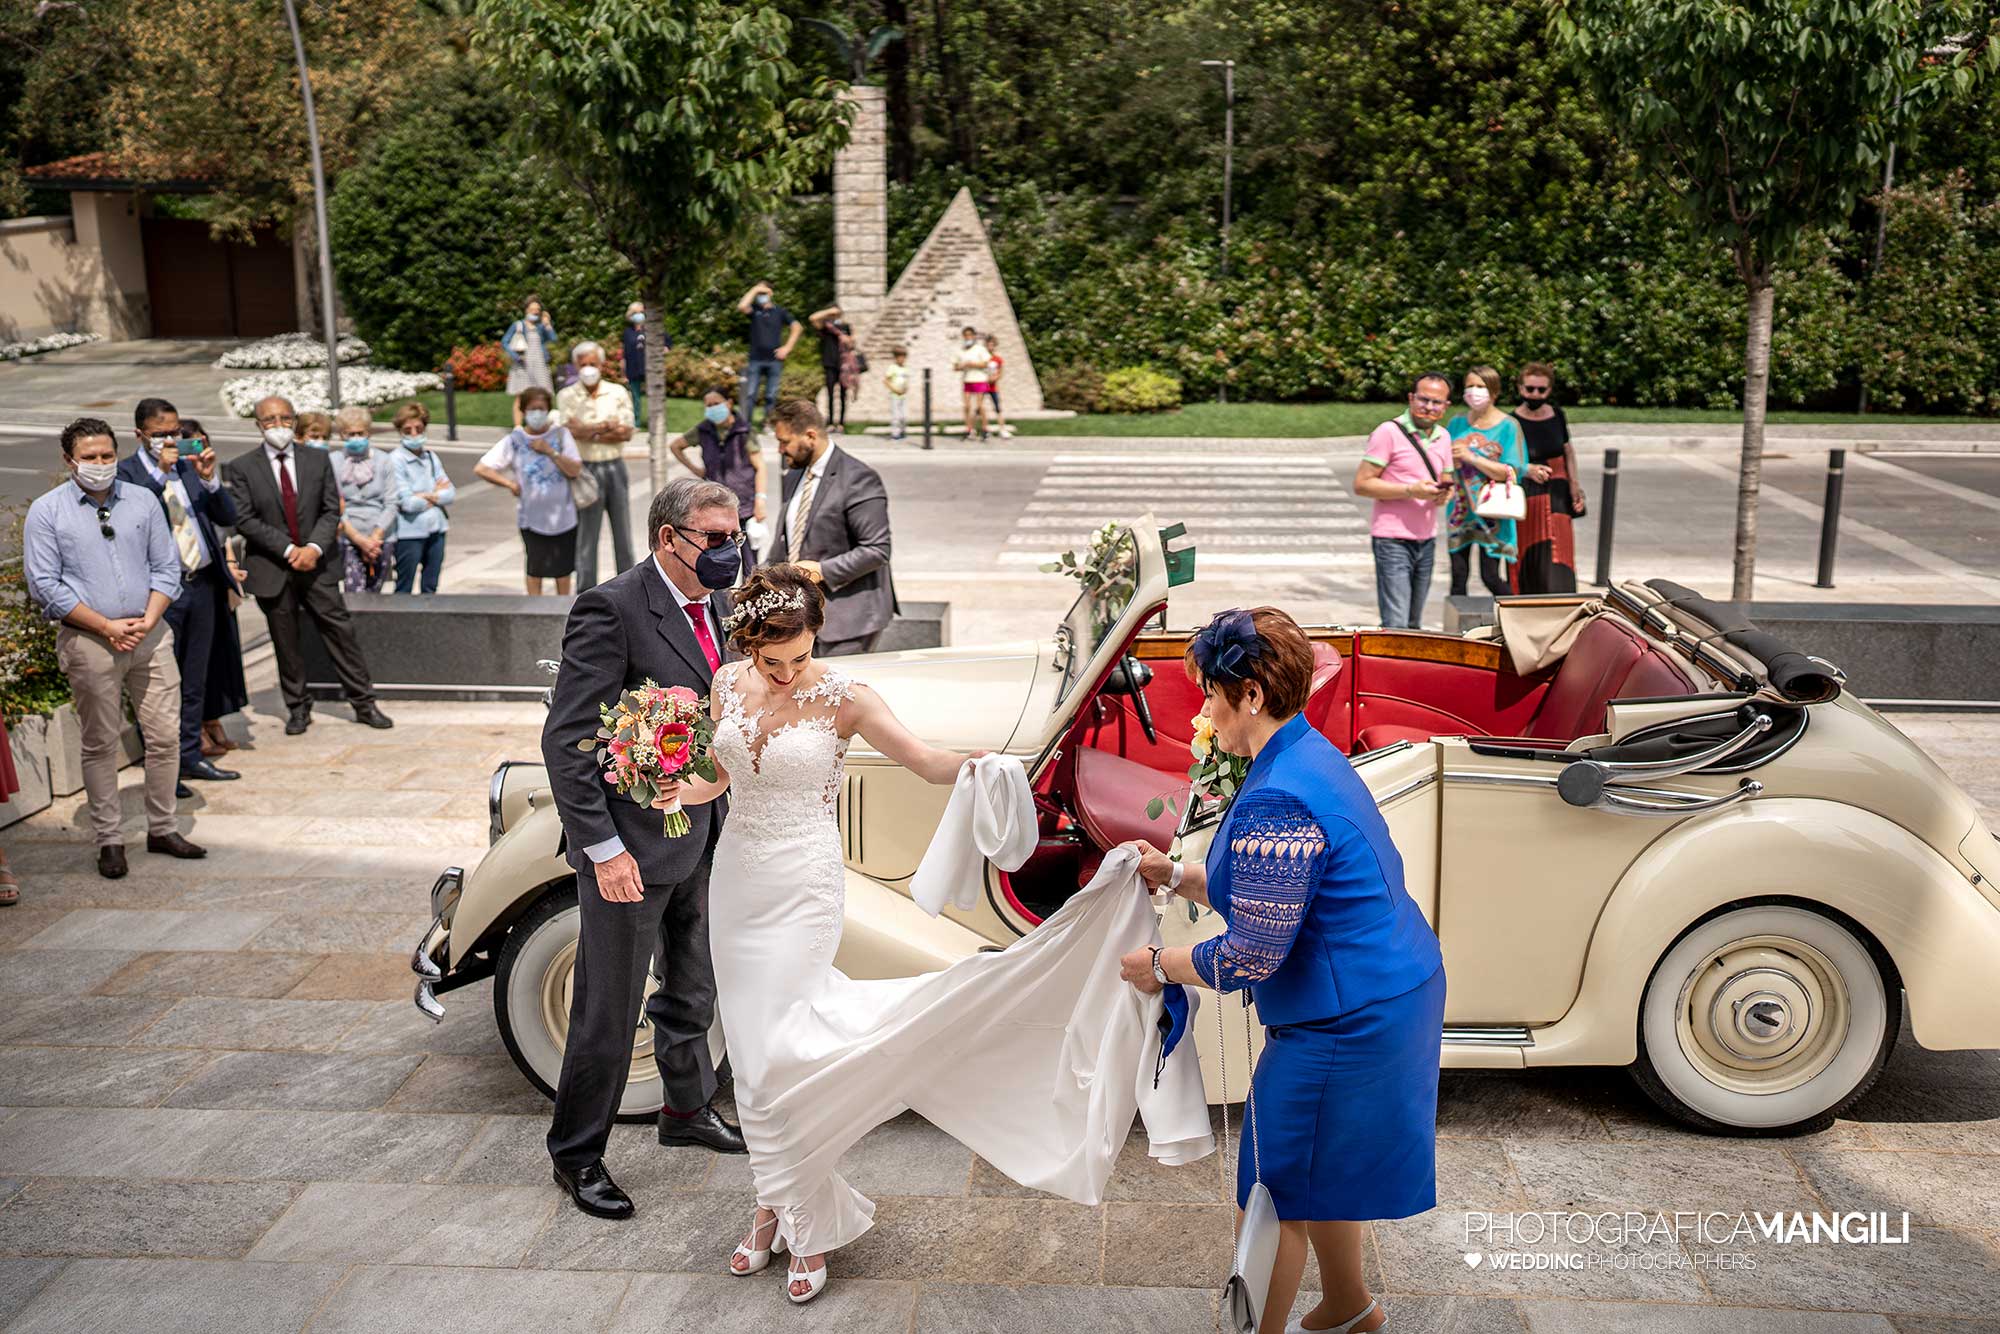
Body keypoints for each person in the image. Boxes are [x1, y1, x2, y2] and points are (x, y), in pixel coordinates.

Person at [660, 565, 1212, 1305]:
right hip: (737, 885)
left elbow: (923, 762)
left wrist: (988, 769)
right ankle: (776, 1202)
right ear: (747, 647)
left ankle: (800, 1220)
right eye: (773, 661)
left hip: (802, 890)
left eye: (801, 657)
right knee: (754, 1056)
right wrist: (679, 786)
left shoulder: (847, 698)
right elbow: (723, 777)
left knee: (786, 1050)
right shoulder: (727, 685)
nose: (788, 673)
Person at [1121, 608, 1446, 1334]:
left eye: (1211, 694)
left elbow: (1252, 953)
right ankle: (1350, 1307)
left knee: (1274, 1184)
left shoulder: (1277, 792)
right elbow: (1271, 890)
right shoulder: (1303, 752)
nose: (1206, 710)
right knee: (1322, 1167)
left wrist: (1161, 966)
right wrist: (1176, 874)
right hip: (1383, 990)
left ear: (1252, 695)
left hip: (1347, 1018)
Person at [540, 477, 752, 1225]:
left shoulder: (717, 603)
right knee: (609, 1007)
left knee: (692, 987)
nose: (730, 549)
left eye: (736, 534)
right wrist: (603, 850)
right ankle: (576, 1154)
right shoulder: (612, 608)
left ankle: (686, 1109)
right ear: (670, 538)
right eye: (716, 538)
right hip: (629, 846)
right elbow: (568, 741)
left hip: (704, 830)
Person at [24, 418, 207, 878]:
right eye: (89, 457)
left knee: (164, 737)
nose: (100, 464)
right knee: (99, 742)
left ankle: (163, 827)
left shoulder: (142, 499)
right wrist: (106, 626)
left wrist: (149, 619)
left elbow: (166, 566)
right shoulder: (47, 512)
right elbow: (44, 584)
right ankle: (109, 838)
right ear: (69, 460)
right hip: (90, 641)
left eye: (107, 455)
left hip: (150, 634)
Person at [223, 395, 394, 736]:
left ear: (294, 419)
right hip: (274, 566)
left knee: (340, 633)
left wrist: (313, 548)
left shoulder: (317, 460)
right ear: (258, 425)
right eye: (270, 420)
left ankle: (364, 703)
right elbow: (245, 518)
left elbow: (331, 509)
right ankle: (298, 707)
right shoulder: (243, 467)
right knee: (286, 640)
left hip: (318, 565)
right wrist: (289, 550)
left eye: (285, 418)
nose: (278, 426)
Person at [117, 398, 241, 788]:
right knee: (158, 685)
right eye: (161, 434)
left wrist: (209, 479)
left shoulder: (188, 468)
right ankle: (163, 767)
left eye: (175, 432)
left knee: (194, 678)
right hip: (159, 594)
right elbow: (128, 519)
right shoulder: (127, 473)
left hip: (200, 583)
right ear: (140, 434)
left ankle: (189, 756)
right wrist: (161, 473)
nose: (170, 440)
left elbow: (228, 516)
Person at [764, 398, 895, 656]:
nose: (780, 450)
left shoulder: (858, 478)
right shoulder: (794, 473)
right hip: (801, 618)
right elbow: (788, 540)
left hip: (848, 621)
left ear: (810, 436)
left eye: (785, 441)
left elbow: (877, 550)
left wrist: (821, 570)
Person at [1354, 374, 1454, 629]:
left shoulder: (1443, 436)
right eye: (1423, 399)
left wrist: (1444, 493)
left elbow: (1446, 480)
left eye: (1436, 402)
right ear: (1411, 398)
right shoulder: (1388, 432)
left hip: (1427, 539)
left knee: (1413, 624)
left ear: (1446, 406)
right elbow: (1362, 484)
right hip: (1392, 540)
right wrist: (1410, 490)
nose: (1429, 407)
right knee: (1396, 623)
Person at [179, 419, 247, 759]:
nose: (195, 452)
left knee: (219, 656)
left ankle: (213, 718)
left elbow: (226, 520)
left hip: (214, 576)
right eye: (187, 446)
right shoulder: (167, 480)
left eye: (200, 444)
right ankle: (195, 733)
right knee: (189, 666)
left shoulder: (205, 477)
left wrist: (231, 562)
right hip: (182, 583)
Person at [475, 387, 584, 594]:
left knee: (563, 570)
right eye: (533, 409)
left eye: (541, 409)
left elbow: (575, 470)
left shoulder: (561, 435)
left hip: (564, 517)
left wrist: (550, 451)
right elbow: (482, 468)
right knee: (535, 568)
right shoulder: (515, 440)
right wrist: (510, 484)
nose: (537, 414)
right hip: (531, 519)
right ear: (524, 411)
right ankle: (534, 607)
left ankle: (562, 608)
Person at [557, 340, 636, 593]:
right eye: (583, 364)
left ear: (601, 364)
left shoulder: (617, 392)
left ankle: (629, 589)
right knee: (586, 537)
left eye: (593, 363)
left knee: (623, 532)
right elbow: (569, 431)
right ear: (575, 366)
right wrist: (605, 427)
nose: (588, 368)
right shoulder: (567, 395)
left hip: (614, 466)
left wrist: (588, 430)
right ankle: (586, 592)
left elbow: (626, 432)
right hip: (585, 470)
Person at [1445, 365, 1529, 600]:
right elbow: (1443, 461)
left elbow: (1512, 471)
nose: (1474, 391)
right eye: (1469, 386)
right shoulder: (1457, 423)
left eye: (1480, 386)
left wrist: (1471, 457)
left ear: (1494, 391)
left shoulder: (1508, 426)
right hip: (1460, 511)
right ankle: (1457, 623)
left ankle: (1515, 613)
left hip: (1493, 512)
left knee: (1490, 576)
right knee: (1458, 575)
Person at [1512, 362, 1584, 593]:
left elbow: (1567, 451)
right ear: (1520, 388)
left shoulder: (1557, 415)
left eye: (1541, 390)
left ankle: (1561, 599)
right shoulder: (1512, 422)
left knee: (1560, 550)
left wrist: (1574, 485)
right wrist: (1527, 469)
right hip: (1528, 492)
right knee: (1529, 548)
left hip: (1558, 493)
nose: (1535, 394)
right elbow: (1507, 460)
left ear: (1549, 390)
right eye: (1529, 389)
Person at [668, 388, 767, 547]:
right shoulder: (703, 430)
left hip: (745, 506)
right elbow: (675, 446)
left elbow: (760, 466)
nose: (713, 408)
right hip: (715, 506)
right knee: (718, 554)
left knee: (749, 557)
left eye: (716, 403)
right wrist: (697, 470)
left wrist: (760, 500)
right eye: (709, 405)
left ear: (729, 403)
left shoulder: (744, 431)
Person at [388, 402, 453, 595]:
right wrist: (434, 495)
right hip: (409, 532)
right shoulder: (396, 460)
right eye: (408, 430)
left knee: (431, 585)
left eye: (419, 428)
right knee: (404, 585)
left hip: (437, 528)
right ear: (400, 432)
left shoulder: (431, 457)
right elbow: (407, 503)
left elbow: (450, 493)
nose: (414, 434)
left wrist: (424, 495)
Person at [332, 405, 394, 593]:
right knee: (354, 592)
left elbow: (392, 502)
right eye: (350, 434)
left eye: (360, 433)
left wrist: (374, 538)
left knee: (375, 592)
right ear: (342, 435)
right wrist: (358, 539)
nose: (356, 438)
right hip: (349, 535)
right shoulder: (334, 461)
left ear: (368, 433)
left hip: (380, 537)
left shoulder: (384, 460)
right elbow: (334, 504)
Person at [736, 282, 801, 428]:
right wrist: (755, 289)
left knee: (771, 395)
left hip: (774, 360)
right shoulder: (754, 310)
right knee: (750, 394)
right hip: (755, 359)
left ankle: (768, 424)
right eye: (758, 293)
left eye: (763, 292)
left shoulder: (780, 312)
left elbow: (797, 327)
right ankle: (745, 425)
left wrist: (787, 348)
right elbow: (741, 306)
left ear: (770, 293)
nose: (760, 295)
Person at [504, 297, 557, 425]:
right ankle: (518, 427)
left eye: (537, 309)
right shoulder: (518, 325)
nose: (535, 311)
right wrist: (516, 356)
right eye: (532, 309)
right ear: (526, 310)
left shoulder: (541, 327)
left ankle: (542, 425)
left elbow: (554, 339)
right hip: (522, 365)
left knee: (545, 395)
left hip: (539, 364)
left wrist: (547, 324)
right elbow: (505, 342)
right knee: (521, 396)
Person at [806, 305, 857, 434]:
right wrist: (828, 311)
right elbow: (812, 318)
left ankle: (841, 423)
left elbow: (852, 343)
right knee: (830, 394)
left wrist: (847, 338)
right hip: (830, 363)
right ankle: (830, 422)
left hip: (844, 365)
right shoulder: (826, 327)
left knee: (843, 395)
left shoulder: (845, 327)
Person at [954, 326, 991, 440]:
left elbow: (986, 363)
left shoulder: (980, 349)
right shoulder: (961, 350)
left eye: (970, 335)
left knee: (979, 406)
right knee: (967, 406)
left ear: (974, 336)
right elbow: (955, 366)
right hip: (967, 380)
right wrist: (961, 366)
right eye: (965, 335)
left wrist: (972, 364)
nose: (968, 337)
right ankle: (969, 429)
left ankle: (985, 429)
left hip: (980, 379)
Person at [621, 301, 652, 433]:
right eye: (635, 313)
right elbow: (624, 354)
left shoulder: (651, 329)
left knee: (653, 396)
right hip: (633, 369)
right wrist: (623, 373)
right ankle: (636, 422)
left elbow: (665, 343)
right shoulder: (627, 332)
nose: (639, 315)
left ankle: (654, 421)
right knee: (635, 397)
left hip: (649, 369)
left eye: (641, 312)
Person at [982, 333, 1009, 438]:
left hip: (993, 387)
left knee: (998, 408)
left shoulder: (998, 359)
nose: (990, 347)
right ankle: (984, 429)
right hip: (982, 386)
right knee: (979, 408)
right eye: (988, 345)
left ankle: (1002, 429)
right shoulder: (982, 358)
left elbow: (1000, 373)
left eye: (992, 345)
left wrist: (994, 378)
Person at [883, 346, 910, 441]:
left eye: (904, 357)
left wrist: (906, 388)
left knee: (904, 415)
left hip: (903, 395)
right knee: (896, 415)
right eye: (900, 357)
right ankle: (895, 433)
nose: (902, 359)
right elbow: (886, 381)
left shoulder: (905, 368)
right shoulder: (892, 368)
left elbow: (906, 380)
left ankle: (902, 431)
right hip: (895, 395)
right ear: (896, 357)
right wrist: (895, 389)